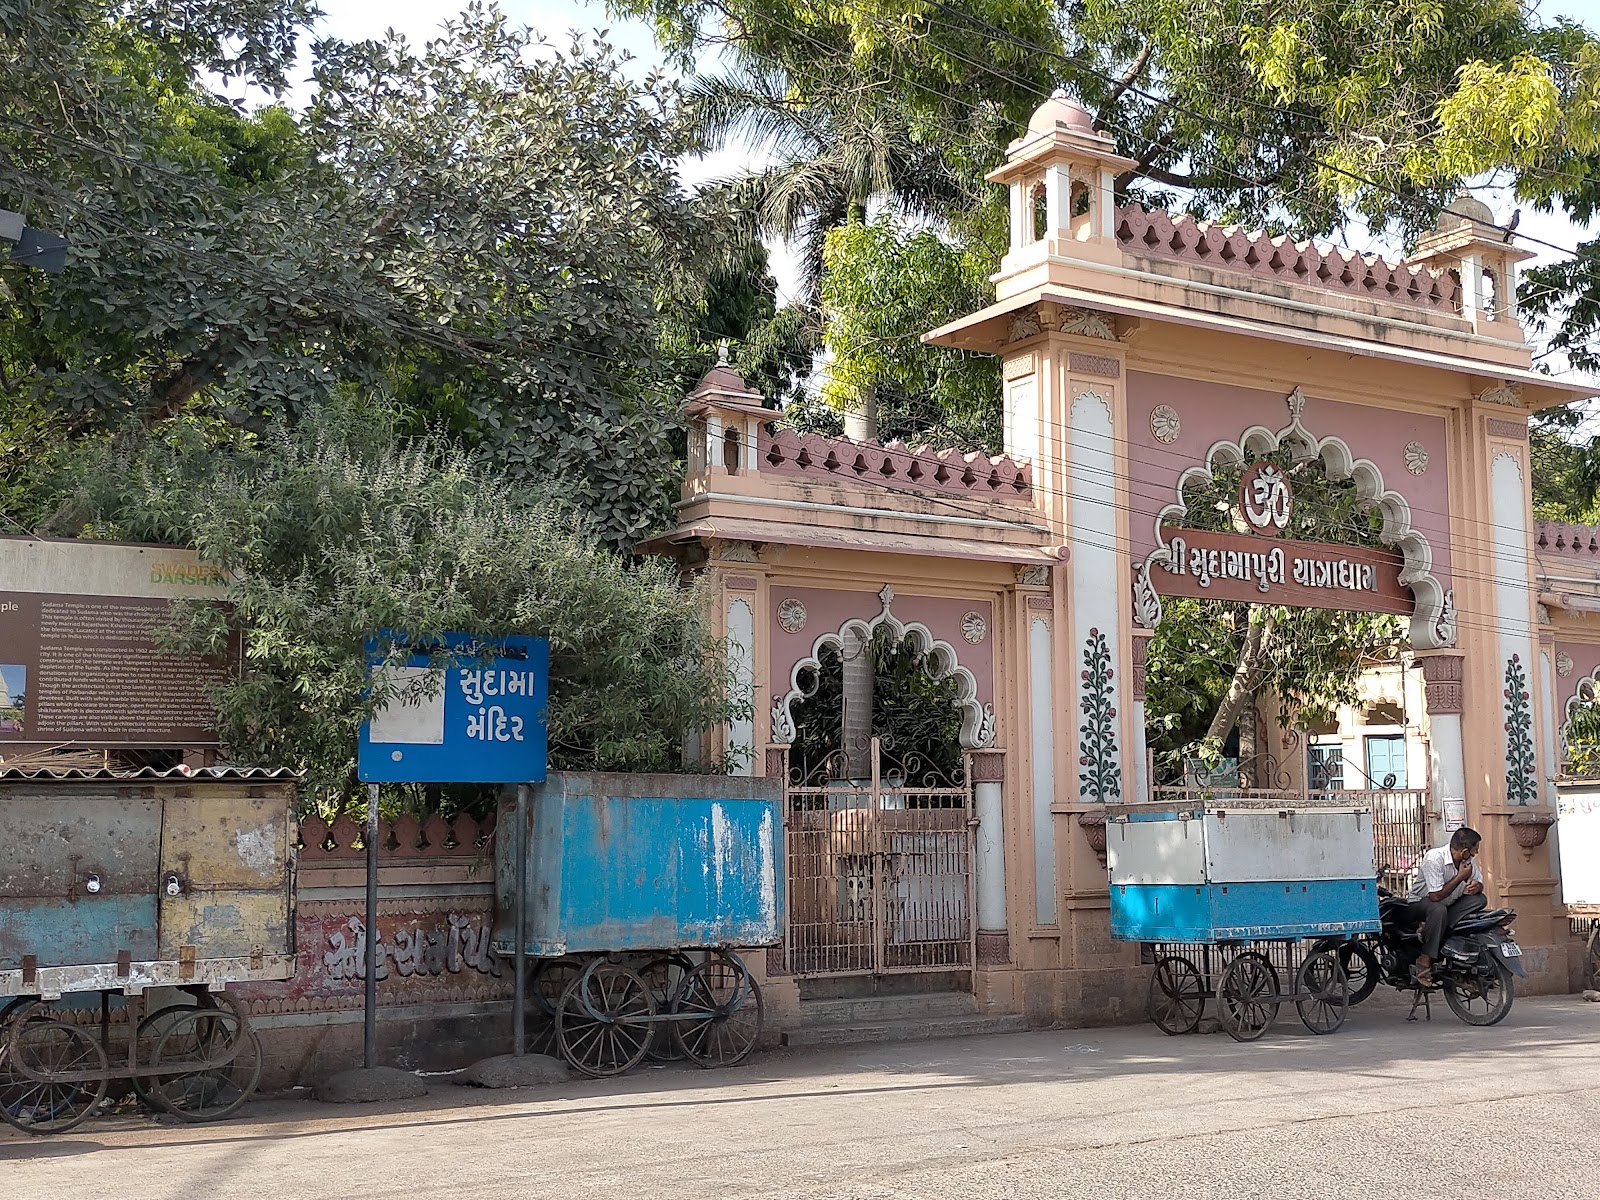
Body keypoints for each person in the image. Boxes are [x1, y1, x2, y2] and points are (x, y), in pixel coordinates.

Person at [1405, 826, 1486, 986]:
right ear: (1464, 851)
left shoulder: (1467, 861)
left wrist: (1477, 886)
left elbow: (1479, 881)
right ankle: (1425, 959)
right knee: (1438, 909)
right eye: (1474, 849)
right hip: (1422, 903)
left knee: (1480, 899)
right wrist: (1459, 877)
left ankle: (1440, 932)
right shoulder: (1434, 858)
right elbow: (1435, 897)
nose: (1475, 853)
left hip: (1448, 906)